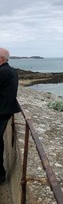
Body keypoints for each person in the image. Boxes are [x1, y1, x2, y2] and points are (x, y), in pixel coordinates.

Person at [0, 47, 22, 183]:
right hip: (5, 111)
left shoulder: (2, 72)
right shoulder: (11, 71)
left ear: (1, 58)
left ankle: (0, 176)